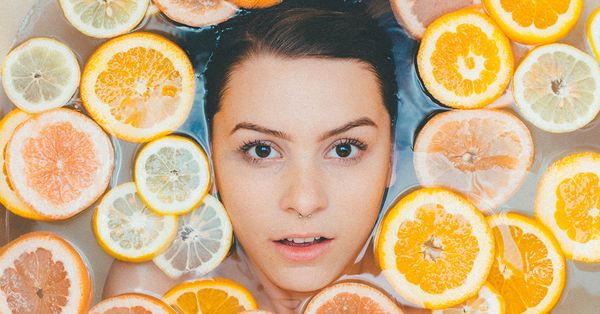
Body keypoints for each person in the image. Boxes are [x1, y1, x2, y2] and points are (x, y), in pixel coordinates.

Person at [103, 1, 408, 312]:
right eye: (262, 150)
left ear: (391, 160)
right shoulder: (155, 295)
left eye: (344, 149)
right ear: (209, 158)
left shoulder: (443, 297)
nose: (304, 201)